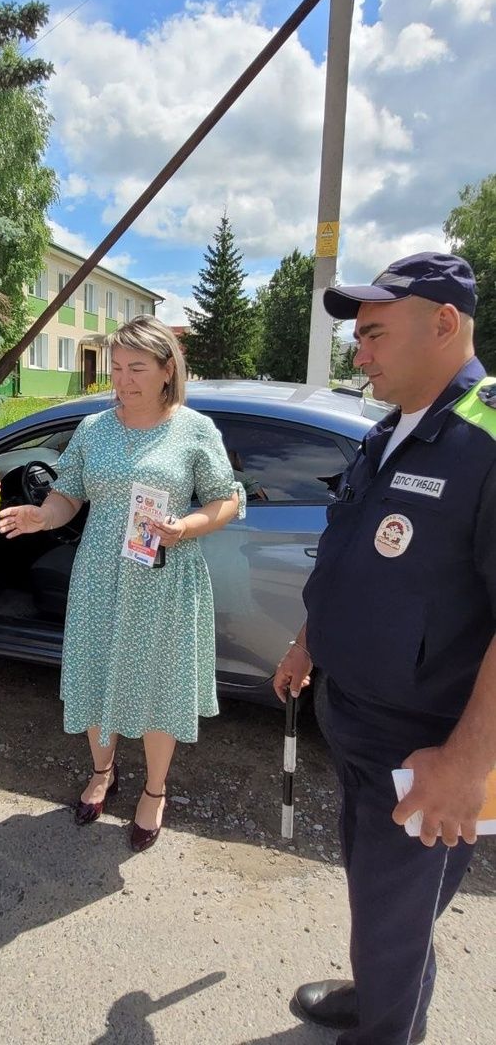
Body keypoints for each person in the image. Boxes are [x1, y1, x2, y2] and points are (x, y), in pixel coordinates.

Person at [273, 253, 494, 1045]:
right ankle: (377, 996)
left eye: (372, 334)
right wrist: (308, 642)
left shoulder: (490, 439)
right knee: (380, 900)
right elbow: (352, 557)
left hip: (427, 744)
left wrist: (467, 765)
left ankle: (383, 1027)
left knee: (395, 917)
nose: (357, 352)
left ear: (443, 324)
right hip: (358, 716)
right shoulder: (391, 429)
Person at [0, 316, 245, 851]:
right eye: (115, 368)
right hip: (99, 577)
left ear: (165, 371)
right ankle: (103, 772)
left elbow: (228, 499)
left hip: (165, 576)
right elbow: (69, 496)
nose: (123, 380)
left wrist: (187, 527)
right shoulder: (93, 430)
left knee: (159, 683)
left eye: (137, 368)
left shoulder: (194, 430)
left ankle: (155, 789)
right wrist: (45, 516)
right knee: (95, 672)